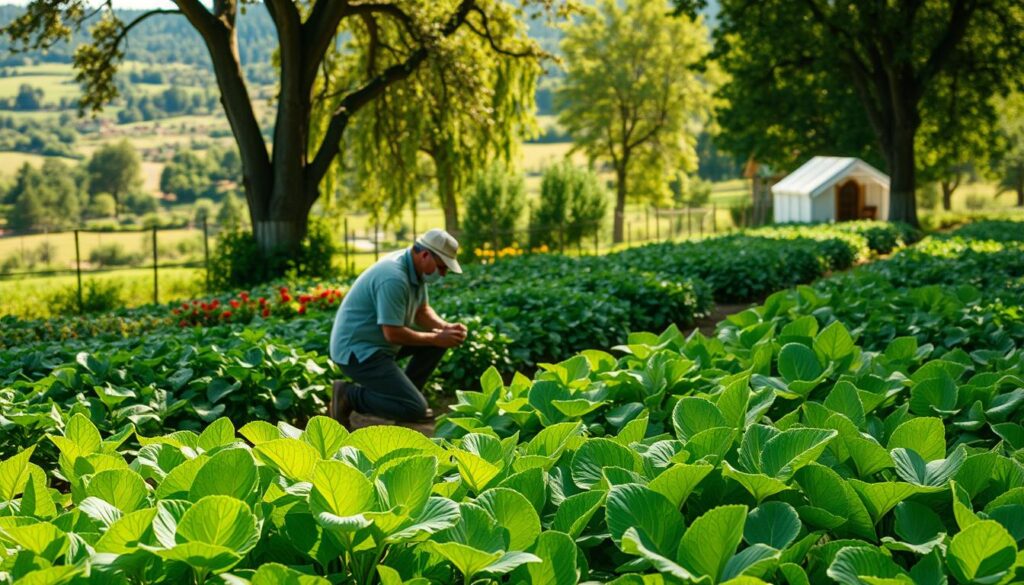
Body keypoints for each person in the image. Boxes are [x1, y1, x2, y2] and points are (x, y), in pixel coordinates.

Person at [328, 228, 468, 429]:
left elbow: (422, 311)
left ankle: (405, 396)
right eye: (442, 267)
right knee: (415, 409)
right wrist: (436, 337)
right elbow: (392, 333)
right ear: (425, 255)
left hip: (379, 344)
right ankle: (348, 396)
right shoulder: (393, 277)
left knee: (437, 344)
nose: (443, 274)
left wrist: (446, 329)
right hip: (358, 352)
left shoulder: (415, 268)